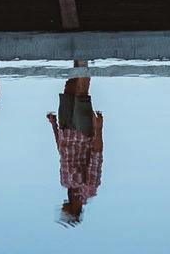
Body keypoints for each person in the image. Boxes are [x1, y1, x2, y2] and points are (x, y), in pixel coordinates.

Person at [47, 64, 104, 225]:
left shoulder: (65, 183)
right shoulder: (89, 189)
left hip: (65, 130)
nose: (62, 208)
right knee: (81, 94)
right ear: (73, 211)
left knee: (69, 87)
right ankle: (83, 59)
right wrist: (98, 128)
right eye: (65, 212)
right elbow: (96, 157)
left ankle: (77, 56)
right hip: (82, 133)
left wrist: (54, 125)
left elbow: (62, 153)